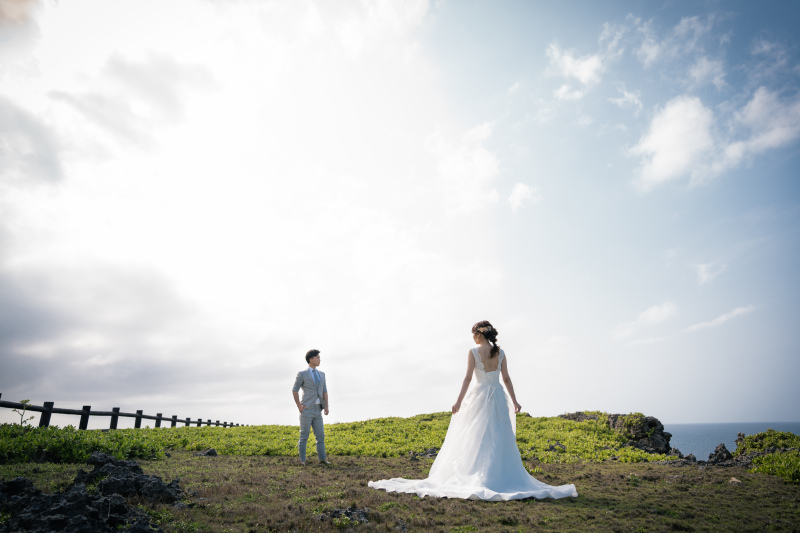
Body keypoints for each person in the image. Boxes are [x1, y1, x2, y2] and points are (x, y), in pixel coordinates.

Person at [368, 321, 578, 500]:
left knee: (475, 437)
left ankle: (477, 474)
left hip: (478, 397)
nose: (473, 337)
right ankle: (496, 476)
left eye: (474, 334)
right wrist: (515, 401)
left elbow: (468, 378)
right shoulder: (501, 353)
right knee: (496, 436)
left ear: (479, 334)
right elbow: (506, 379)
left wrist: (458, 402)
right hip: (497, 396)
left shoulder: (473, 352)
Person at [292, 349, 330, 465]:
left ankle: (322, 459)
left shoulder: (322, 374)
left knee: (320, 436)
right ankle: (303, 460)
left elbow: (324, 391)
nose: (319, 359)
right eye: (317, 357)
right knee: (304, 435)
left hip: (318, 409)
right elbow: (295, 390)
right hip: (306, 409)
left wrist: (326, 406)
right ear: (311, 359)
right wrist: (299, 405)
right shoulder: (302, 374)